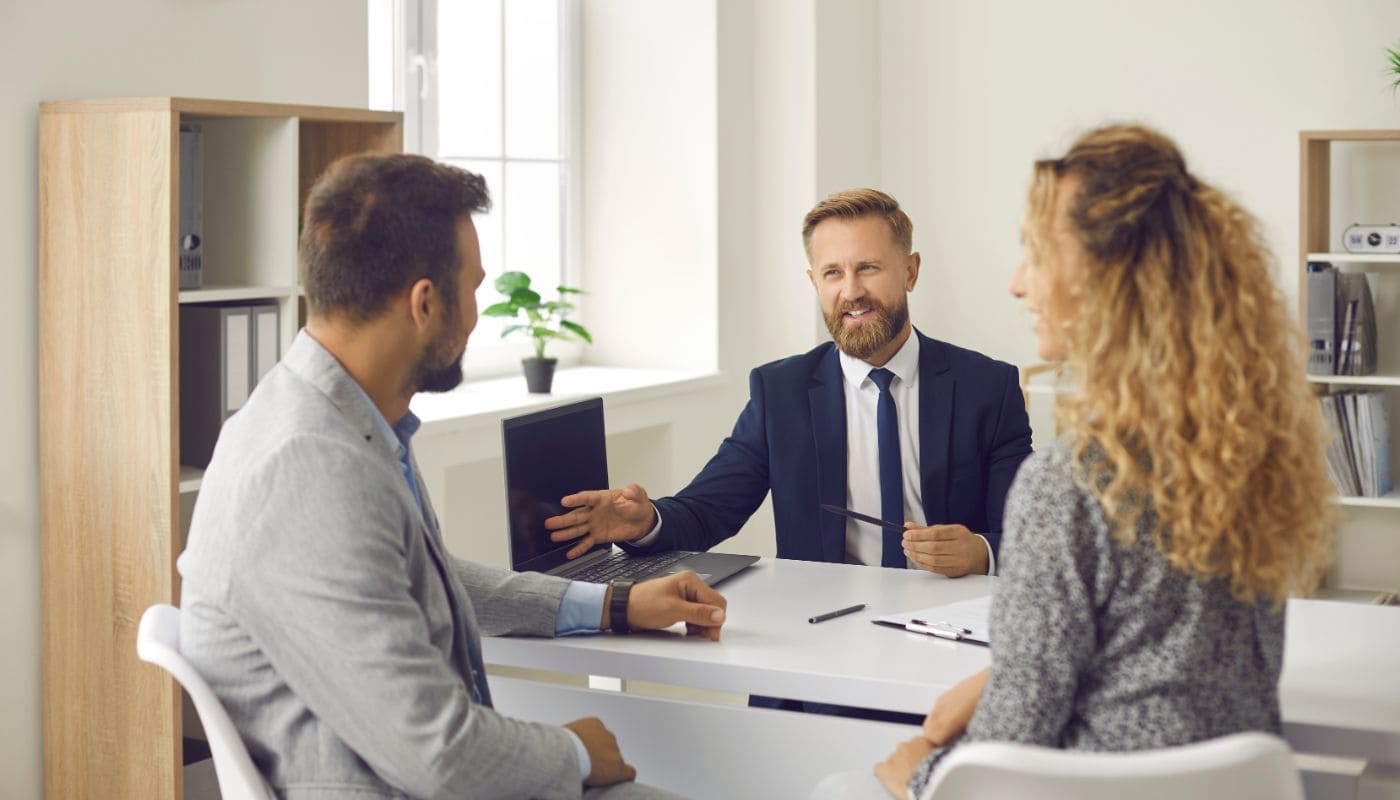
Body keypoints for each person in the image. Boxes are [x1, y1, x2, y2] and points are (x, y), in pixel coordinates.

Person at [177, 153, 728, 800]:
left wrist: (614, 604)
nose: (475, 315)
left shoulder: (326, 419)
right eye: (472, 290)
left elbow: (415, 573)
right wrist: (575, 751)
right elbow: (437, 757)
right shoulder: (308, 464)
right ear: (425, 303)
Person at [816, 124, 1336, 799]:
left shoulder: (1071, 484)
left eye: (1035, 255)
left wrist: (913, 766)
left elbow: (1009, 743)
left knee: (840, 787)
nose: (1016, 283)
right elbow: (1160, 664)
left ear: (1105, 280)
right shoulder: (1247, 452)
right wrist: (1006, 675)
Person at [546, 188, 1033, 580]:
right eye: (832, 273)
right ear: (814, 282)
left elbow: (1028, 540)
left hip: (948, 626)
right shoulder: (780, 392)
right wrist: (646, 521)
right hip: (821, 628)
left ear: (910, 271)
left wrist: (979, 552)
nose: (852, 291)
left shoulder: (988, 387)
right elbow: (708, 510)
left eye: (868, 267)